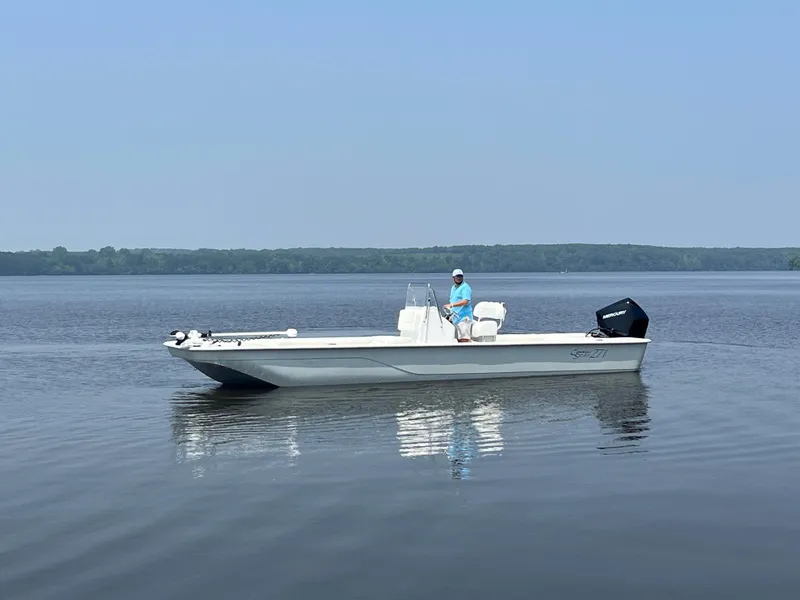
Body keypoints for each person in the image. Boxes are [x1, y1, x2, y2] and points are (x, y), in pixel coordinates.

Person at [444, 268, 473, 341]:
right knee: (453, 338)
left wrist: (452, 305)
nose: (459, 278)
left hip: (464, 318)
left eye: (460, 276)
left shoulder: (465, 287)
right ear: (453, 278)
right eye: (457, 276)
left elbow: (465, 301)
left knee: (464, 339)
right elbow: (453, 300)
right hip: (456, 318)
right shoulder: (453, 288)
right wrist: (451, 315)